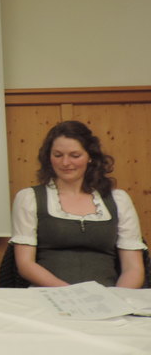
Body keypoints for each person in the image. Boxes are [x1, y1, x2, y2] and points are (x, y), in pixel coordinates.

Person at [10, 120, 147, 288]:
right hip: (48, 295)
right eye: (58, 155)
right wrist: (72, 294)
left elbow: (133, 268)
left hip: (109, 296)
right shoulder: (29, 198)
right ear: (48, 158)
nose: (65, 163)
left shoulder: (118, 200)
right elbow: (25, 265)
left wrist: (117, 297)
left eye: (75, 156)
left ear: (90, 157)